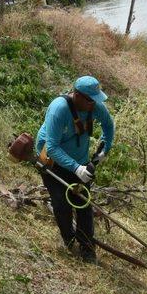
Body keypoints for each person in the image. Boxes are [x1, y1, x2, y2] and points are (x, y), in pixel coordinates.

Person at [36, 76, 115, 264]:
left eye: (96, 100)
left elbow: (108, 125)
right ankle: (69, 241)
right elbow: (52, 147)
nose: (94, 104)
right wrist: (76, 168)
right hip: (53, 161)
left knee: (83, 204)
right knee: (62, 203)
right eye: (90, 100)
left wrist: (104, 148)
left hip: (79, 161)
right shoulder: (59, 109)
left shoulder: (94, 106)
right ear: (77, 95)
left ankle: (87, 250)